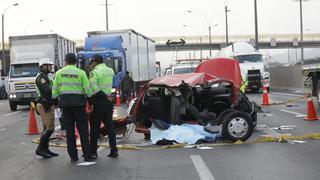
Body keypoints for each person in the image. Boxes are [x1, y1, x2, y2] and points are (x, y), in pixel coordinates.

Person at [52, 53, 94, 162]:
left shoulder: (59, 73)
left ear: (65, 61)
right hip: (79, 105)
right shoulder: (81, 73)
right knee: (83, 131)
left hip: (65, 106)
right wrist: (90, 101)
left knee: (70, 132)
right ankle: (87, 155)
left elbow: (55, 89)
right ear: (75, 61)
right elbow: (87, 88)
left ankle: (73, 157)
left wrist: (55, 101)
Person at [89, 54, 119, 158]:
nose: (91, 65)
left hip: (98, 102)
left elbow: (94, 88)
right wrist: (109, 96)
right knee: (110, 127)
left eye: (92, 63)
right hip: (108, 102)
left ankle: (93, 152)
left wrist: (104, 96)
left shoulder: (94, 72)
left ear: (95, 62)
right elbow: (113, 85)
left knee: (94, 128)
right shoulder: (110, 71)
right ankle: (114, 150)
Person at [35, 58, 58, 158]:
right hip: (45, 104)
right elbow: (47, 91)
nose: (51, 67)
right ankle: (40, 149)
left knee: (47, 127)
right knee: (50, 128)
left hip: (46, 104)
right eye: (49, 65)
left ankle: (46, 149)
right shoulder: (41, 78)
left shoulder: (46, 76)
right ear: (44, 66)